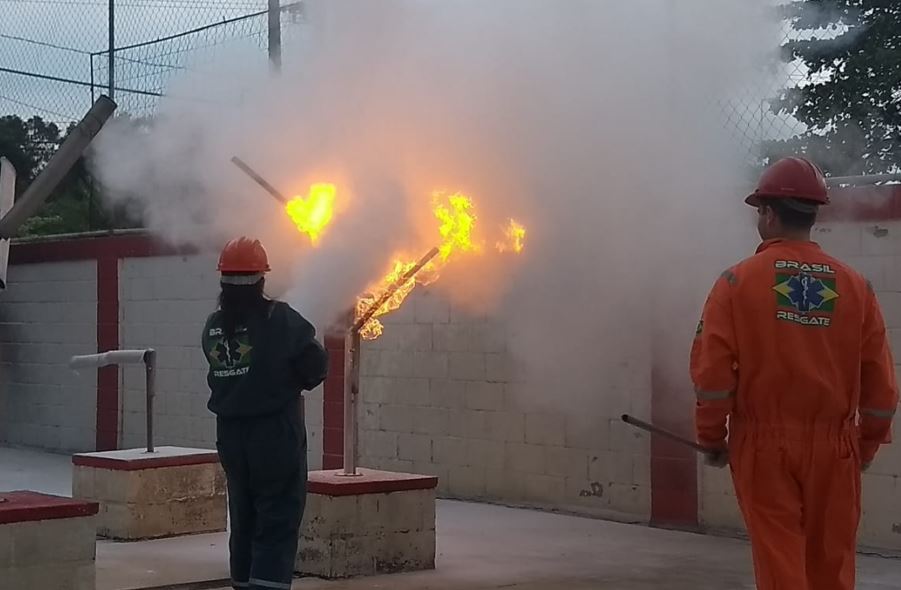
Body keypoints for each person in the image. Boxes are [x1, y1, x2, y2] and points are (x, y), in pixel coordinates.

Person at [690, 157, 898, 590]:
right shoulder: (856, 287)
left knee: (781, 562)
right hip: (836, 448)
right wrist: (864, 448)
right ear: (814, 214)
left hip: (764, 448)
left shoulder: (735, 283)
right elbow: (881, 384)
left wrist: (712, 438)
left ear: (767, 212)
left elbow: (712, 376)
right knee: (832, 566)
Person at [202, 236, 328, 590]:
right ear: (261, 279)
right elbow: (316, 365)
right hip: (273, 436)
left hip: (231, 438)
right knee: (277, 520)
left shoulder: (212, 326)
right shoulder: (280, 318)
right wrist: (290, 380)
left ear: (222, 280)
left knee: (244, 518)